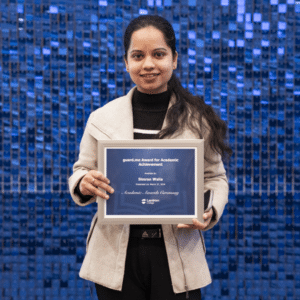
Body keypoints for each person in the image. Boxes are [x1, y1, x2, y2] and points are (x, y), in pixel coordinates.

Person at [69, 15, 232, 300]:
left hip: (178, 251)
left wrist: (208, 210)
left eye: (159, 54)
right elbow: (82, 168)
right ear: (126, 62)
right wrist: (84, 181)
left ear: (174, 59)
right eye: (137, 56)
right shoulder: (101, 118)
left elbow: (215, 178)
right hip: (114, 254)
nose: (148, 64)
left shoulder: (199, 120)